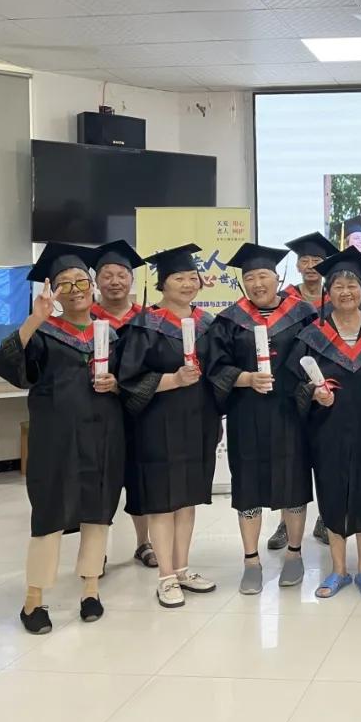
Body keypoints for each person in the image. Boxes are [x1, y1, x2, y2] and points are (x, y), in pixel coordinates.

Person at [0, 243, 125, 634]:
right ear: (54, 292)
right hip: (55, 439)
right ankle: (34, 599)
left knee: (98, 509)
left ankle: (90, 589)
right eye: (65, 284)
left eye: (81, 281)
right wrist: (36, 318)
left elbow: (133, 381)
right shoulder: (44, 333)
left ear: (92, 286)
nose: (75, 289)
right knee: (49, 512)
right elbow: (4, 362)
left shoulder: (111, 334)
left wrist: (117, 384)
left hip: (103, 434)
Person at [207, 243, 318, 594]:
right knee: (248, 484)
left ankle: (294, 554)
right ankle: (251, 561)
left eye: (263, 276)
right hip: (247, 413)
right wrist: (245, 378)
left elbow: (316, 359)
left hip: (290, 412)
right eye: (250, 278)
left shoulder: (302, 314)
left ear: (277, 277)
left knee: (293, 482)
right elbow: (215, 366)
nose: (257, 284)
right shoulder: (229, 320)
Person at [287, 247, 361, 599]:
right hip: (327, 428)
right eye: (338, 286)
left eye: (352, 286)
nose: (345, 292)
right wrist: (313, 394)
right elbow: (295, 384)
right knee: (332, 493)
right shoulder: (313, 335)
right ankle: (338, 570)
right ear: (328, 292)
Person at [117, 244, 221, 608]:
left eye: (193, 277)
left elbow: (219, 371)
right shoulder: (144, 325)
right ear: (162, 283)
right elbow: (129, 380)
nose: (188, 284)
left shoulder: (208, 324)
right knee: (162, 501)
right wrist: (174, 380)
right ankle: (165, 576)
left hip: (198, 421)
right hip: (157, 423)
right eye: (179, 278)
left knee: (187, 498)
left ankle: (182, 569)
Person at [267, 232, 341, 551]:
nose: (310, 265)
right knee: (290, 460)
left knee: (324, 456)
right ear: (297, 265)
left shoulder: (336, 295)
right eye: (305, 260)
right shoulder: (284, 299)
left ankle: (325, 518)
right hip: (290, 385)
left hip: (328, 385)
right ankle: (286, 523)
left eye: (317, 260)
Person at [91, 240, 157, 570]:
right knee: (99, 482)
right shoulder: (85, 318)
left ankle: (144, 542)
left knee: (140, 477)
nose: (114, 281)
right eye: (107, 275)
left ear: (132, 279)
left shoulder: (149, 319)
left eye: (121, 275)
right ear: (96, 280)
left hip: (140, 412)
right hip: (97, 413)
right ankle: (95, 550)